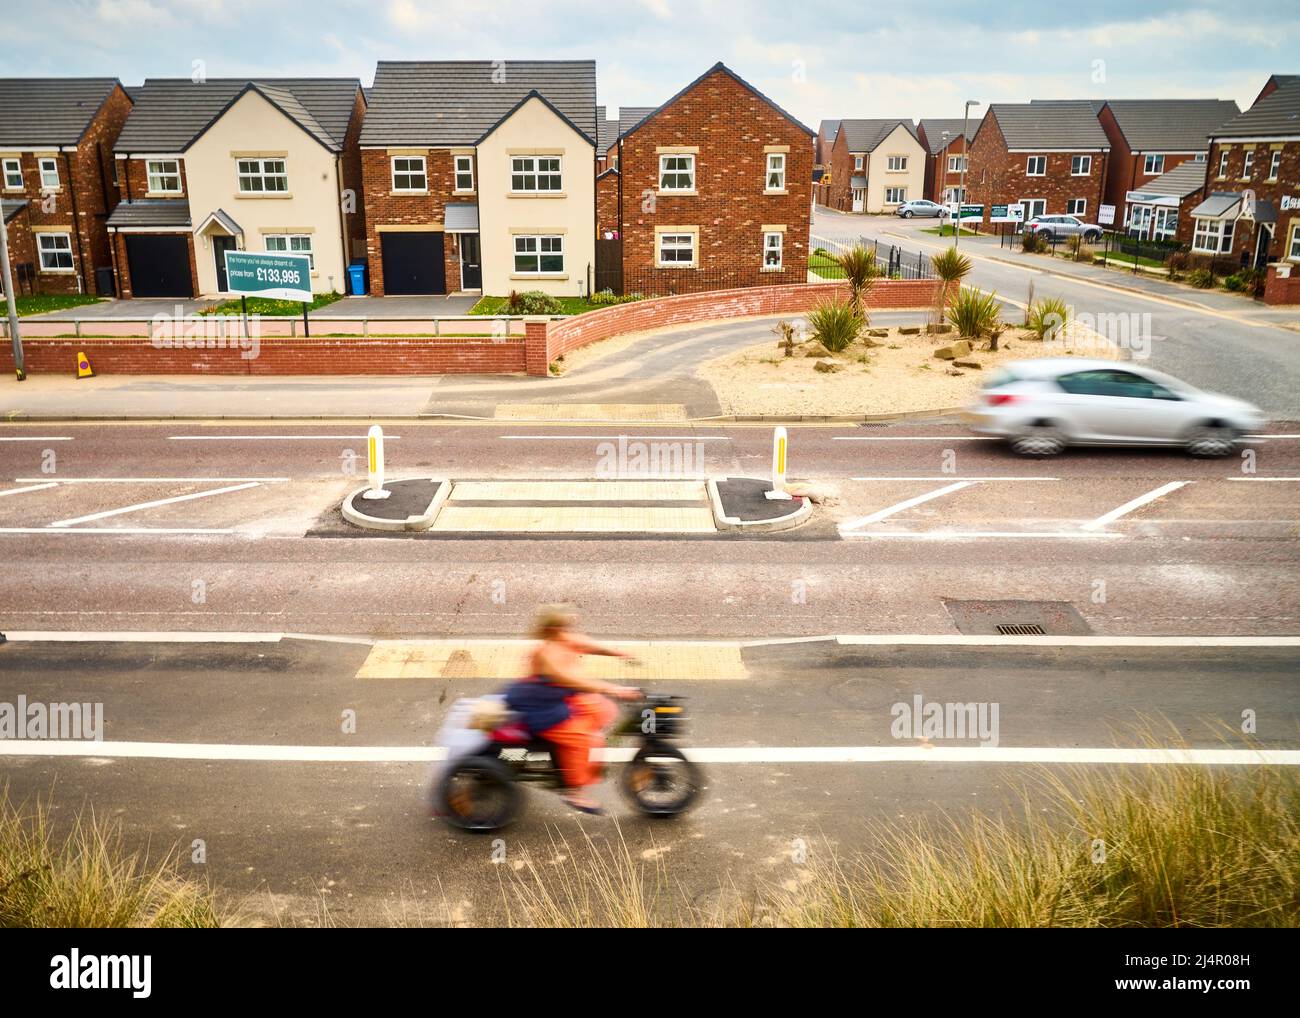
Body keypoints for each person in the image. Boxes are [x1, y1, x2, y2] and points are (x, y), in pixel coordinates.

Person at [507, 605, 639, 815]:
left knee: (603, 709)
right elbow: (573, 681)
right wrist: (614, 689)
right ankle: (573, 791)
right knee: (585, 740)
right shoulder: (546, 654)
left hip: (561, 698)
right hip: (544, 708)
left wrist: (618, 653)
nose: (568, 630)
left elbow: (588, 646)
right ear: (550, 629)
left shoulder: (563, 639)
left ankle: (567, 752)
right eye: (563, 626)